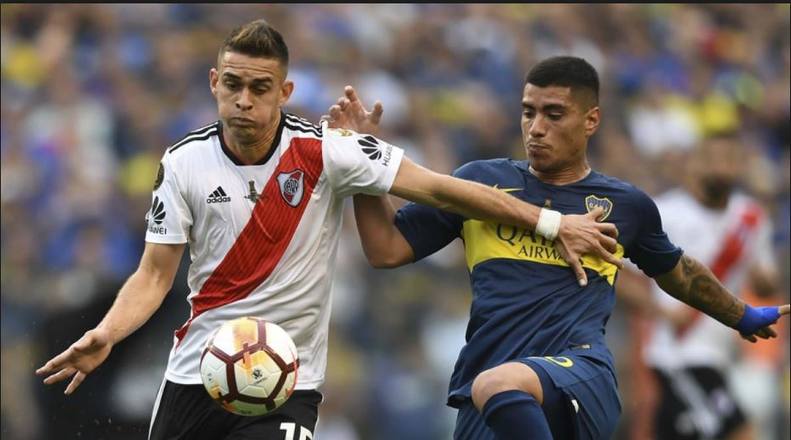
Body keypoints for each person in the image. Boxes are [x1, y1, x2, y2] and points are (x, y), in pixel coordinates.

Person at [34, 21, 622, 440]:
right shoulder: (183, 162)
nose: (244, 101)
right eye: (233, 85)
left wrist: (552, 221)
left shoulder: (329, 152)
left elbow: (442, 188)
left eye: (260, 88)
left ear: (284, 93)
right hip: (196, 372)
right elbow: (155, 274)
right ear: (214, 82)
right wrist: (108, 332)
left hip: (287, 381)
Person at [323, 56, 789, 439]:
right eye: (528, 112)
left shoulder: (625, 206)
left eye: (553, 114)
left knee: (500, 382)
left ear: (591, 121)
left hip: (580, 373)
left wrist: (741, 314)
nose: (536, 127)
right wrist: (365, 167)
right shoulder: (481, 184)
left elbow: (679, 273)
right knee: (495, 383)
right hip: (484, 398)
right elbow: (385, 250)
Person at [617, 133, 782, 440]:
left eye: (729, 160)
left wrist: (763, 279)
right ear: (694, 163)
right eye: (712, 159)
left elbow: (765, 278)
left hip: (719, 355)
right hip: (679, 355)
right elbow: (618, 273)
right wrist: (662, 312)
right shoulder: (664, 214)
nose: (721, 168)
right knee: (741, 432)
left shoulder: (750, 217)